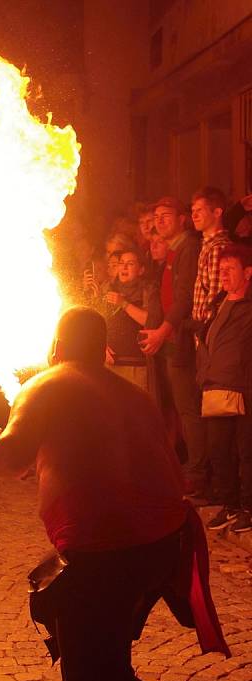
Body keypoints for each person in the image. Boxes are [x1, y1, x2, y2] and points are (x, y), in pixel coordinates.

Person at [0, 307, 234, 681]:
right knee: (57, 593)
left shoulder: (47, 385)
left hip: (114, 550)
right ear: (102, 349)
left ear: (56, 347)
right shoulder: (132, 392)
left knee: (95, 665)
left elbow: (8, 460)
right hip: (165, 543)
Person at [140, 196, 206, 497]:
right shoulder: (172, 251)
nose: (160, 221)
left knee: (188, 408)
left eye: (167, 215)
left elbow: (184, 298)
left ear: (183, 219)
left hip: (180, 342)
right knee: (177, 409)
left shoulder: (188, 248)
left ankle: (198, 473)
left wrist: (164, 330)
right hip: (169, 340)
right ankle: (185, 466)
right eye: (157, 216)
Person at [197, 244, 252, 534]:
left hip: (243, 389)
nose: (224, 275)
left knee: (246, 452)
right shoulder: (220, 303)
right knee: (218, 451)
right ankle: (230, 505)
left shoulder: (248, 308)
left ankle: (247, 508)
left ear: (248, 273)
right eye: (222, 270)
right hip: (215, 386)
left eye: (230, 269)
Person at [103, 248, 162, 391]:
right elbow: (100, 322)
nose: (123, 267)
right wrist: (102, 345)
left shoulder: (148, 291)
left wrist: (124, 304)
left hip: (136, 366)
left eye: (130, 264)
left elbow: (151, 321)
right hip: (111, 366)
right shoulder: (110, 290)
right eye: (121, 263)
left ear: (141, 269)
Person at [191, 186, 232, 325]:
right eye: (193, 211)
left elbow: (216, 300)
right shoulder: (208, 246)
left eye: (199, 210)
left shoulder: (218, 248)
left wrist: (204, 330)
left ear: (217, 212)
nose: (194, 216)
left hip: (209, 330)